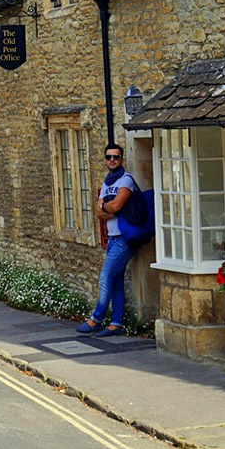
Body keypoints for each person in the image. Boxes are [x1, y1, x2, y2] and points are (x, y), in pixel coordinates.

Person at [76, 142, 137, 338]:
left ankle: (96, 319)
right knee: (116, 281)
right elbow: (99, 214)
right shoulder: (107, 183)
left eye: (116, 157)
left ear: (122, 159)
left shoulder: (126, 181)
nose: (112, 160)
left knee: (105, 278)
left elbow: (117, 206)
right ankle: (116, 323)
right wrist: (107, 207)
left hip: (124, 239)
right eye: (109, 157)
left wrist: (106, 205)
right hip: (112, 239)